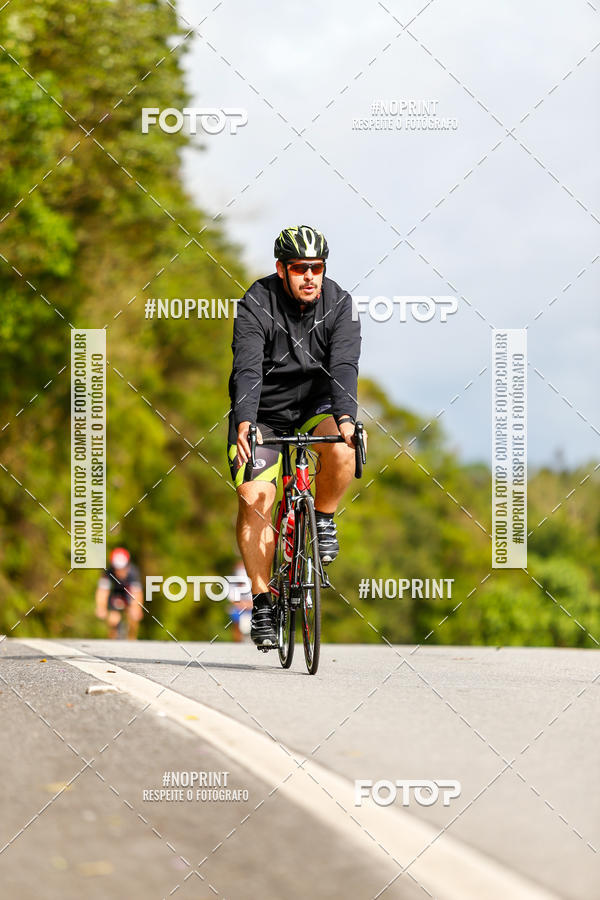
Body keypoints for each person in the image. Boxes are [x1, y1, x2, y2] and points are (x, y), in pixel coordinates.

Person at [227, 225, 363, 648]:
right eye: (300, 268)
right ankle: (264, 600)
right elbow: (247, 369)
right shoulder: (256, 302)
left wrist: (345, 418)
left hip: (315, 409)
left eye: (316, 268)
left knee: (344, 446)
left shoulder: (340, 304)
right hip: (263, 413)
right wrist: (246, 421)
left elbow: (344, 367)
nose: (309, 276)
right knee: (256, 499)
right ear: (281, 269)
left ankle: (322, 518)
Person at [95, 547, 144, 639]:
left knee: (133, 617)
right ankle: (113, 642)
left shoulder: (134, 573)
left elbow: (137, 593)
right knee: (113, 620)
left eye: (122, 568)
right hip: (115, 593)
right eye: (117, 568)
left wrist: (137, 609)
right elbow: (102, 591)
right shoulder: (108, 572)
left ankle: (132, 639)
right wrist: (101, 607)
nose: (120, 571)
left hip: (129, 593)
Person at [226, 560, 253, 642]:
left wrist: (246, 605)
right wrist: (243, 605)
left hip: (251, 608)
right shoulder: (231, 584)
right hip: (240, 609)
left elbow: (255, 600)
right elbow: (233, 600)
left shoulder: (252, 585)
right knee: (234, 612)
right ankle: (237, 640)